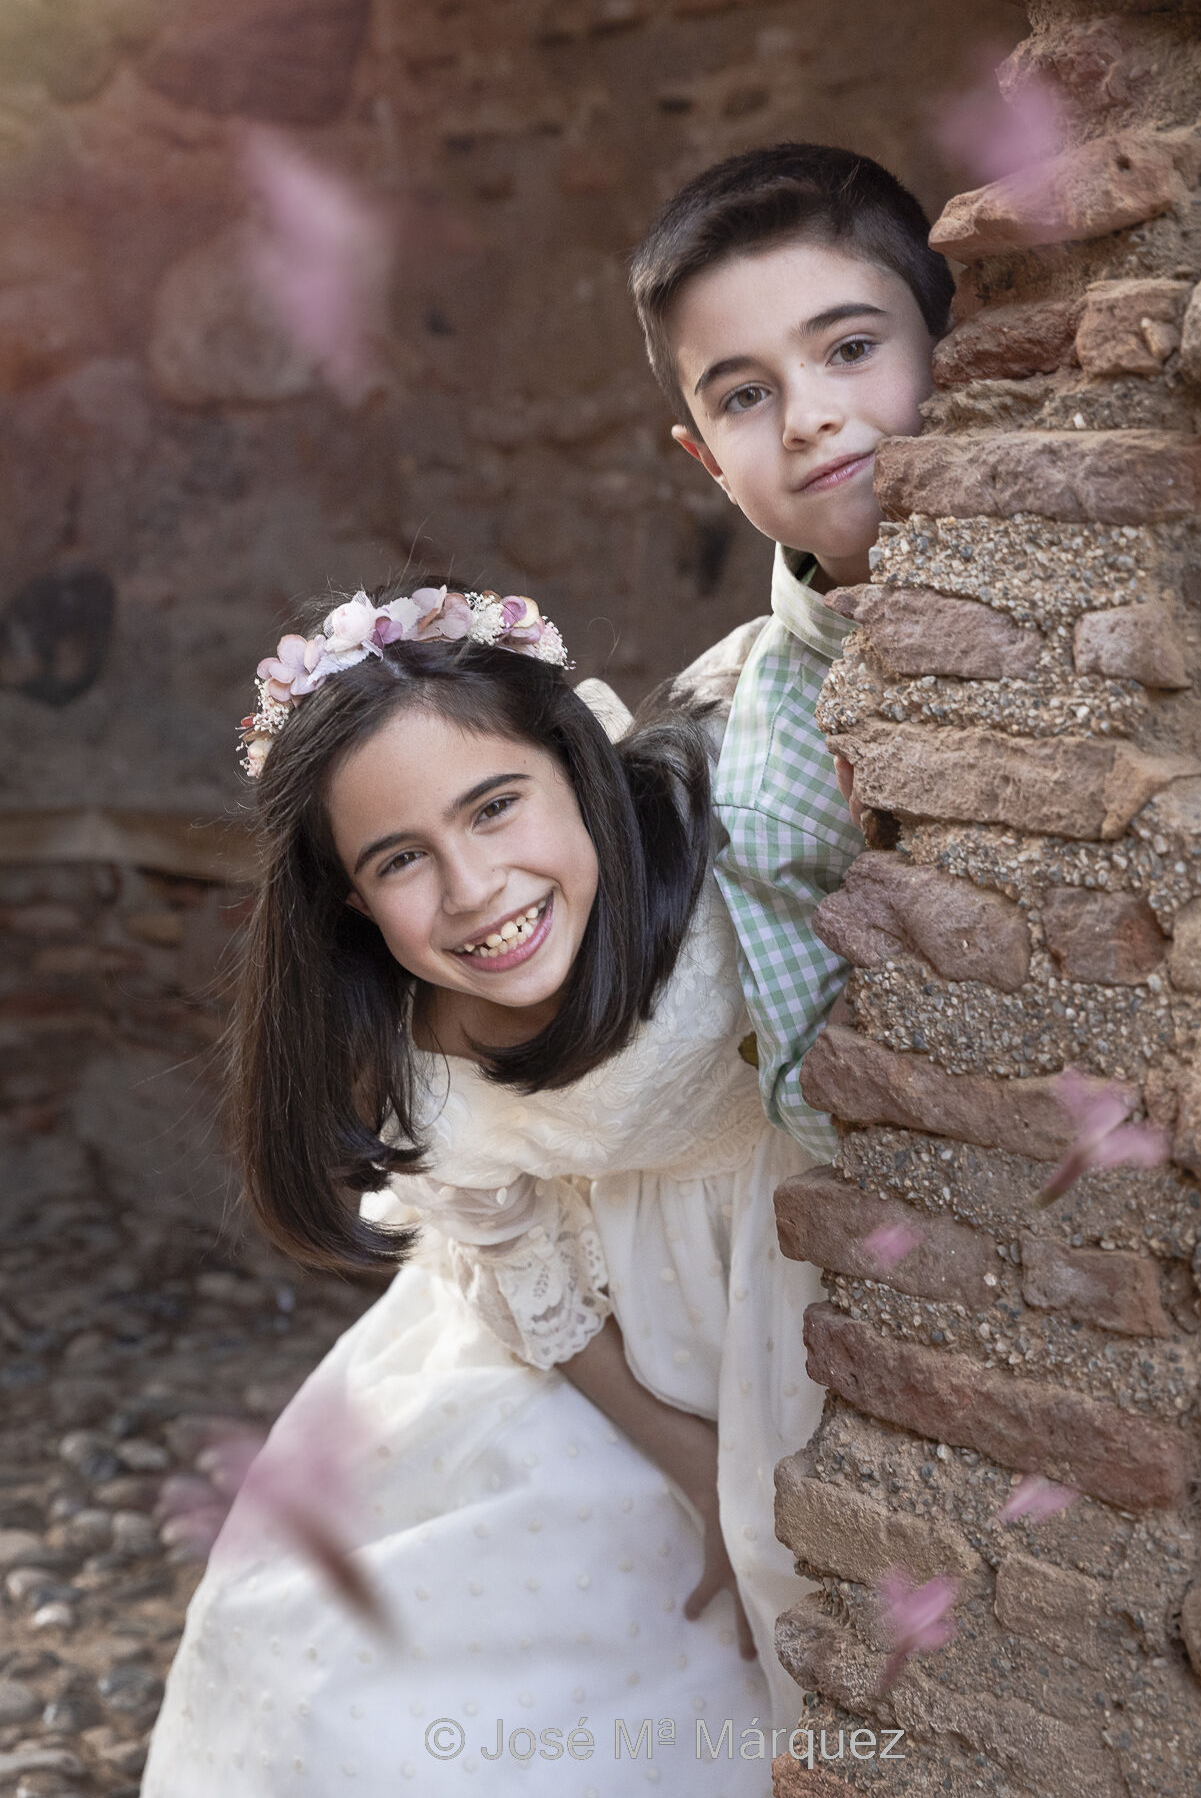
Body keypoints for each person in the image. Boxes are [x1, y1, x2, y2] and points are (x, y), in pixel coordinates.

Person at [141, 583, 822, 1798]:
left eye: (495, 805)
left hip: (778, 1285)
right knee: (325, 1661)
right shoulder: (428, 1058)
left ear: (578, 766)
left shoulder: (714, 825)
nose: (473, 890)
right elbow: (523, 1276)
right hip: (607, 1350)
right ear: (352, 897)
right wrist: (694, 1469)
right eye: (402, 859)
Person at [630, 143, 953, 1164]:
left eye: (849, 349)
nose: (809, 415)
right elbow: (814, 1091)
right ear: (709, 463)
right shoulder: (767, 770)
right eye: (742, 396)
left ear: (956, 347)